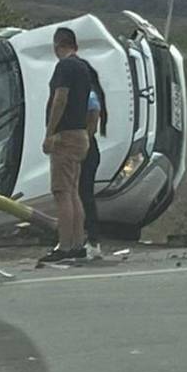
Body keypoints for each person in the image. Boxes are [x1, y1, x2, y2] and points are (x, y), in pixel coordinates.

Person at [40, 27, 91, 263]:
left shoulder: (65, 67)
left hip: (66, 135)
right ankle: (78, 241)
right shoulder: (83, 67)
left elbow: (60, 97)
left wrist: (50, 132)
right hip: (80, 134)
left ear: (58, 45)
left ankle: (65, 245)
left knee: (62, 192)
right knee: (73, 191)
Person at [79, 63, 108, 260]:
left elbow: (91, 128)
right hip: (86, 148)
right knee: (81, 195)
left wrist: (81, 145)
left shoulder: (89, 97)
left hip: (87, 150)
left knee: (85, 195)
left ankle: (92, 239)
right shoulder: (89, 96)